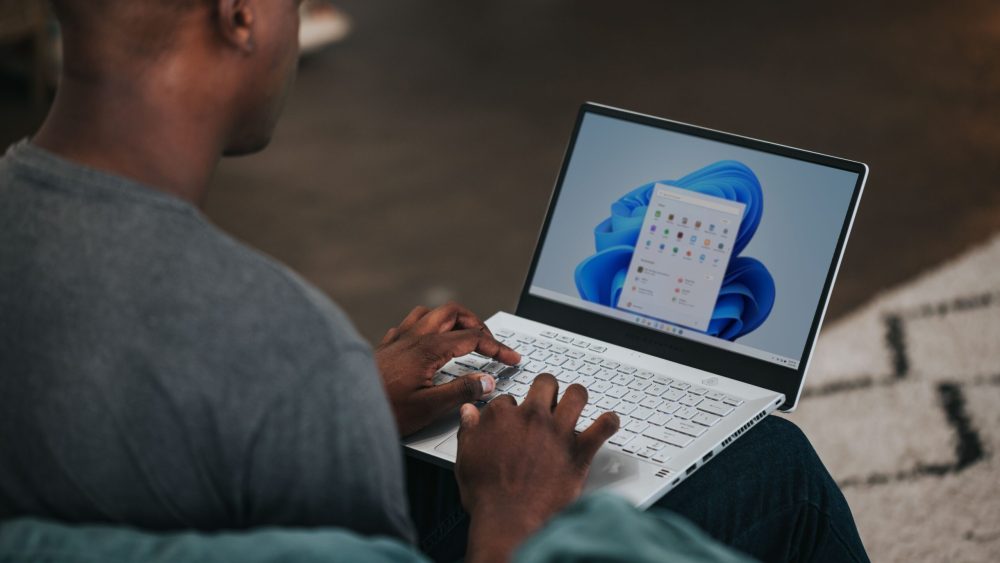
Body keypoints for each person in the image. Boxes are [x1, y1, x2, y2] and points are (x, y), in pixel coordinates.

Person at [0, 1, 870, 562]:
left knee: (453, 440)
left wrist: (356, 398)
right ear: (238, 14)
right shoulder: (270, 336)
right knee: (777, 468)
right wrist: (511, 512)